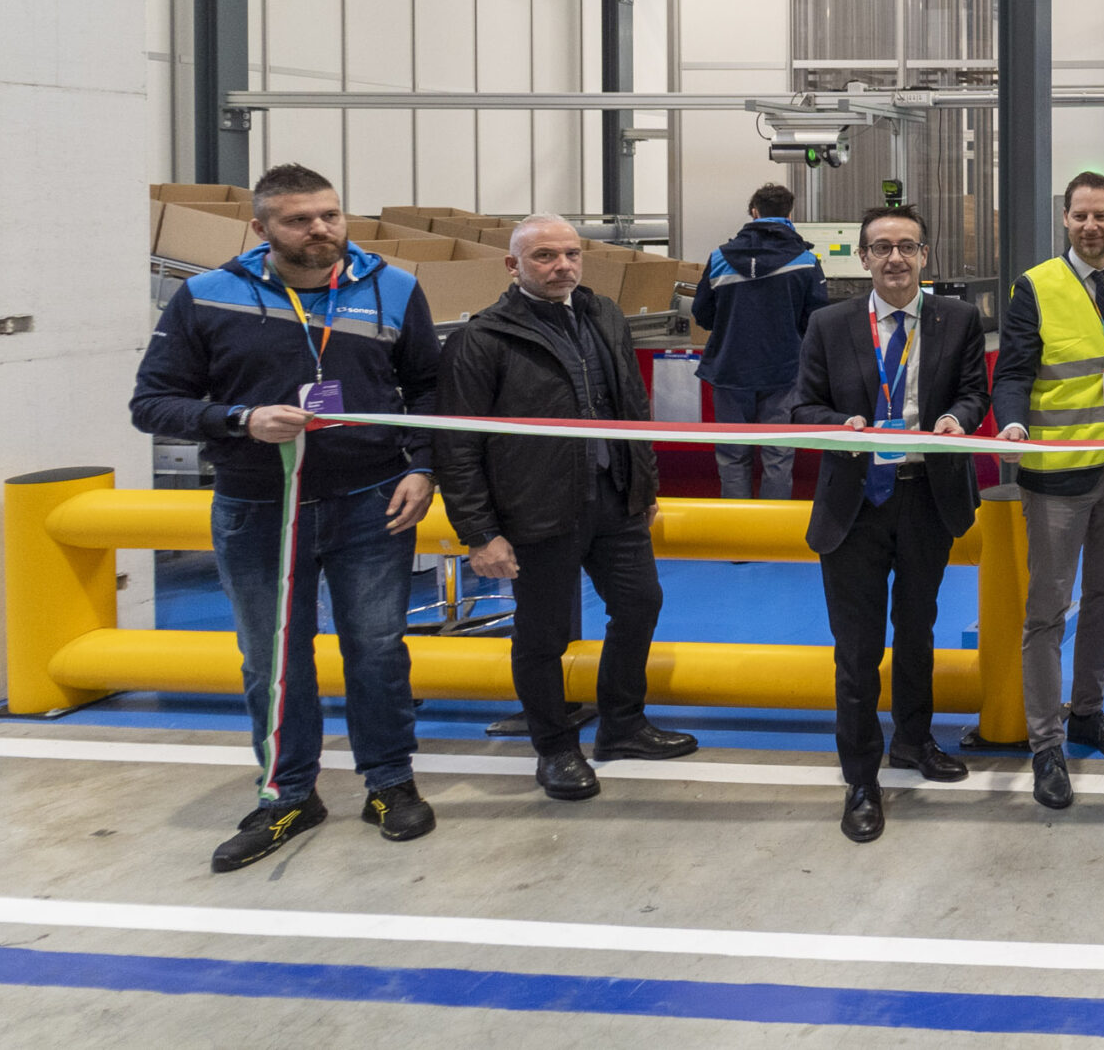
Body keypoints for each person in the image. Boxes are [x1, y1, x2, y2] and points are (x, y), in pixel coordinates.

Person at [130, 163, 441, 871]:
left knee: (378, 648)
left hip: (372, 499)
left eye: (330, 214)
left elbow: (427, 386)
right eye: (299, 219)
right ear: (260, 227)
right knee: (273, 657)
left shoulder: (393, 288)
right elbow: (152, 403)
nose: (320, 229)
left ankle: (389, 781)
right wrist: (240, 419)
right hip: (258, 505)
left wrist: (422, 466)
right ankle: (289, 793)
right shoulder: (207, 297)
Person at [435, 216, 699, 802]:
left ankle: (622, 725)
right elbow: (457, 445)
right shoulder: (483, 338)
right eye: (545, 256)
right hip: (538, 508)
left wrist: (644, 486)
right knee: (543, 634)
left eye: (571, 254)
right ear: (513, 266)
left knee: (640, 605)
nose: (562, 266)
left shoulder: (604, 315)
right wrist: (479, 532)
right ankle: (554, 747)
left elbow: (632, 407)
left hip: (614, 498)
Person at [790, 205, 988, 843]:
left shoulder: (957, 319)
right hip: (855, 505)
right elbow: (803, 406)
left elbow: (974, 391)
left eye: (907, 246)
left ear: (925, 255)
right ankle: (860, 778)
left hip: (927, 497)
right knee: (857, 649)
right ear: (863, 258)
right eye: (882, 248)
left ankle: (913, 740)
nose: (895, 258)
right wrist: (838, 425)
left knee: (918, 630)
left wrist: (958, 419)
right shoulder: (829, 323)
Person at [992, 171, 1104, 812]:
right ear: (1065, 219)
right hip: (1057, 474)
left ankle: (1087, 712)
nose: (1091, 226)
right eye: (1080, 216)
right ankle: (1047, 744)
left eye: (1102, 215)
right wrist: (1012, 423)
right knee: (1047, 611)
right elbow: (1014, 372)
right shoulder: (1035, 286)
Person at [695, 183, 829, 501]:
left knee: (732, 456)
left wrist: (731, 327)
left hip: (728, 371)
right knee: (778, 457)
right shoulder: (805, 260)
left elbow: (702, 313)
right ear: (789, 215)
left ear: (754, 213)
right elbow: (816, 320)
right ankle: (774, 529)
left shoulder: (719, 257)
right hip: (784, 374)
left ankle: (736, 530)